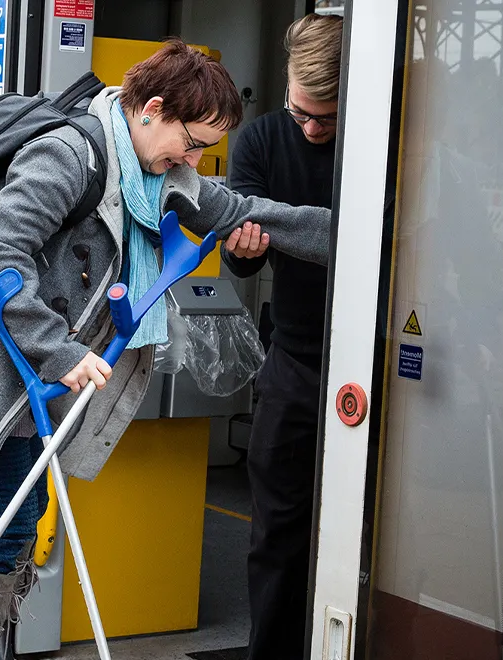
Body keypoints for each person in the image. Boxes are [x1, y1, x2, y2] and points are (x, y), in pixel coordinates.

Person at [0, 40, 332, 660]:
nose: (192, 160)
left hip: (27, 381)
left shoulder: (160, 175)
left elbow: (242, 208)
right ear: (153, 109)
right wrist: (57, 350)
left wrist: (354, 239)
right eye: (190, 142)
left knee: (11, 521)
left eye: (202, 151)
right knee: (9, 526)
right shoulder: (69, 155)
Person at [218, 13, 342, 660]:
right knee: (277, 536)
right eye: (302, 114)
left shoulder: (383, 140)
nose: (312, 130)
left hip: (380, 364)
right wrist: (243, 244)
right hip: (294, 361)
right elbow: (241, 258)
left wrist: (286, 225)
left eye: (327, 118)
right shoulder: (263, 141)